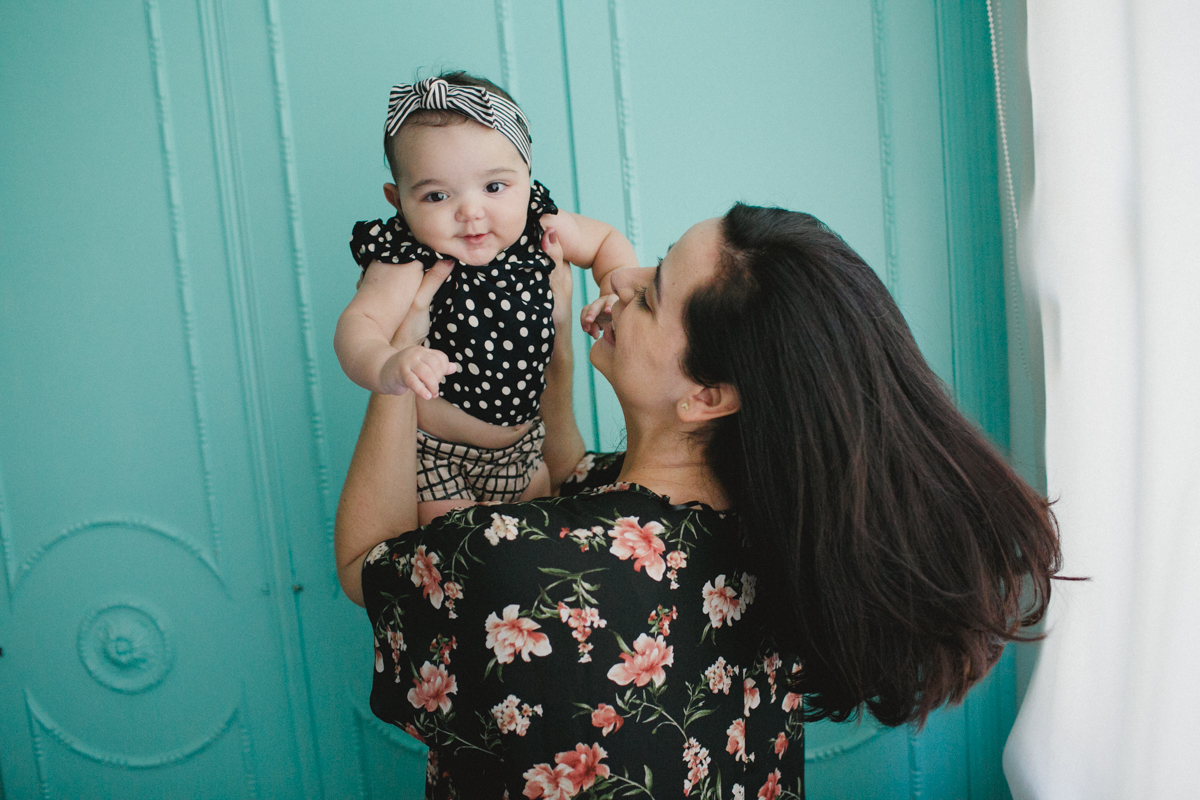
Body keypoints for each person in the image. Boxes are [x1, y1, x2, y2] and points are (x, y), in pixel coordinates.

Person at [335, 204, 1063, 799]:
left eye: (651, 293)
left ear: (707, 396)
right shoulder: (775, 539)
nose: (626, 280)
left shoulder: (509, 564)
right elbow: (574, 479)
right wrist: (555, 359)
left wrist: (400, 366)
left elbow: (366, 560)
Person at [335, 71, 635, 525]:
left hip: (526, 448)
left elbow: (605, 241)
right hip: (441, 456)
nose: (471, 212)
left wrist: (612, 288)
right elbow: (358, 326)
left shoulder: (539, 224)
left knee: (536, 543)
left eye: (495, 187)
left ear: (528, 178)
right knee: (462, 550)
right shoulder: (408, 257)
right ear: (398, 202)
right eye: (437, 195)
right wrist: (386, 364)